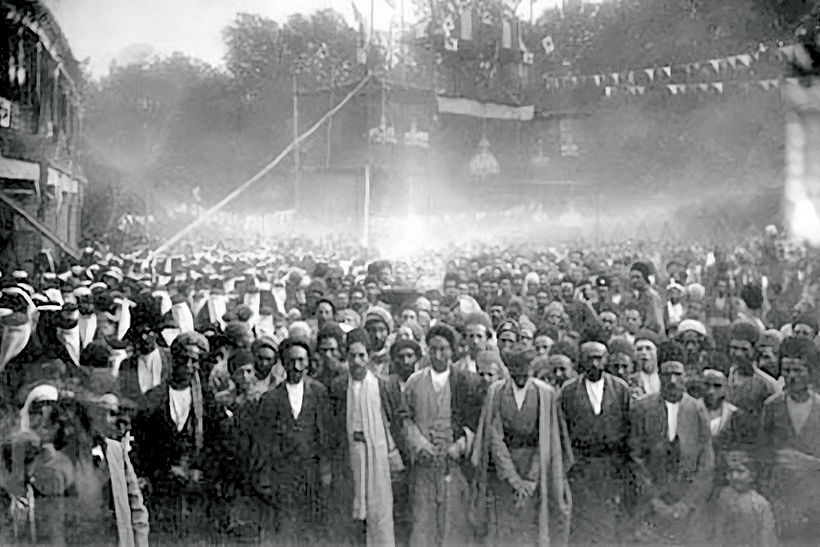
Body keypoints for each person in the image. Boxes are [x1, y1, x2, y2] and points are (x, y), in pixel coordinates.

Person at [471, 351, 572, 546]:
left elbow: (547, 438)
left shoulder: (545, 393)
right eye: (516, 372)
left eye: (525, 372)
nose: (521, 377)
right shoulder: (496, 391)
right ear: (508, 370)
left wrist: (530, 480)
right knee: (504, 527)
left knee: (532, 526)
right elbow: (494, 437)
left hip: (536, 466)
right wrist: (513, 478)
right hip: (503, 469)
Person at [403, 324, 484, 547]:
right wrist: (419, 443)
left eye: (444, 349)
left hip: (453, 463)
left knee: (453, 521)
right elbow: (405, 418)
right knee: (423, 519)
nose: (438, 355)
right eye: (433, 349)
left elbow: (476, 419)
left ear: (452, 350)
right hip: (424, 463)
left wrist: (462, 443)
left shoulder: (467, 382)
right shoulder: (414, 382)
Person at [133, 331, 215, 540]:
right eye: (182, 359)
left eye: (194, 361)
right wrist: (163, 469)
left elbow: (218, 441)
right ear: (173, 360)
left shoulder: (207, 400)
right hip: (162, 485)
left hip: (196, 486)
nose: (188, 365)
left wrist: (199, 467)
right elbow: (143, 443)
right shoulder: (153, 398)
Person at [329, 328, 407, 547]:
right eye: (352, 355)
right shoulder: (338, 387)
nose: (356, 361)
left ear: (369, 356)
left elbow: (396, 423)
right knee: (351, 517)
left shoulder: (384, 386)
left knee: (379, 512)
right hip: (349, 460)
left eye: (361, 355)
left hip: (378, 460)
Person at [252, 337, 331, 542]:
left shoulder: (319, 393)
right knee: (286, 530)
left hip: (312, 475)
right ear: (283, 364)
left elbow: (325, 436)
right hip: (283, 477)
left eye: (301, 360)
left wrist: (325, 471)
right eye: (291, 361)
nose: (296, 367)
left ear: (308, 362)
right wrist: (265, 477)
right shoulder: (270, 399)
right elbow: (263, 442)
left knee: (312, 532)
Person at [629, 360, 714, 543]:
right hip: (651, 502)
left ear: (685, 378)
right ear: (659, 377)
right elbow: (635, 456)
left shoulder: (697, 409)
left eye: (677, 375)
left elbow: (706, 459)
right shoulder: (642, 408)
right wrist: (653, 499)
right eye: (667, 375)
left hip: (687, 502)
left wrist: (687, 502)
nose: (672, 381)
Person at [560, 337, 632, 543]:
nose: (594, 363)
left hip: (611, 466)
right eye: (589, 358)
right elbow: (563, 430)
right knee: (582, 524)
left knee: (608, 525)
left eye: (599, 358)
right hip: (581, 466)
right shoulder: (568, 390)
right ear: (581, 360)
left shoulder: (620, 389)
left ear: (606, 359)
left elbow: (629, 429)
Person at [759, 336, 820, 543]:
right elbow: (763, 452)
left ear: (811, 372)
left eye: (798, 370)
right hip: (783, 499)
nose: (792, 377)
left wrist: (813, 464)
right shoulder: (772, 406)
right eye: (786, 370)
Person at [726, 321, 779, 445]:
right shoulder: (724, 378)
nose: (738, 354)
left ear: (754, 351)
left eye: (744, 349)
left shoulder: (767, 385)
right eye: (734, 348)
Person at [711, 450, 777, 547]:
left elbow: (766, 538)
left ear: (752, 475)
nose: (734, 476)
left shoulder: (759, 504)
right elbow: (718, 530)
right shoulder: (724, 497)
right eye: (731, 471)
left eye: (740, 471)